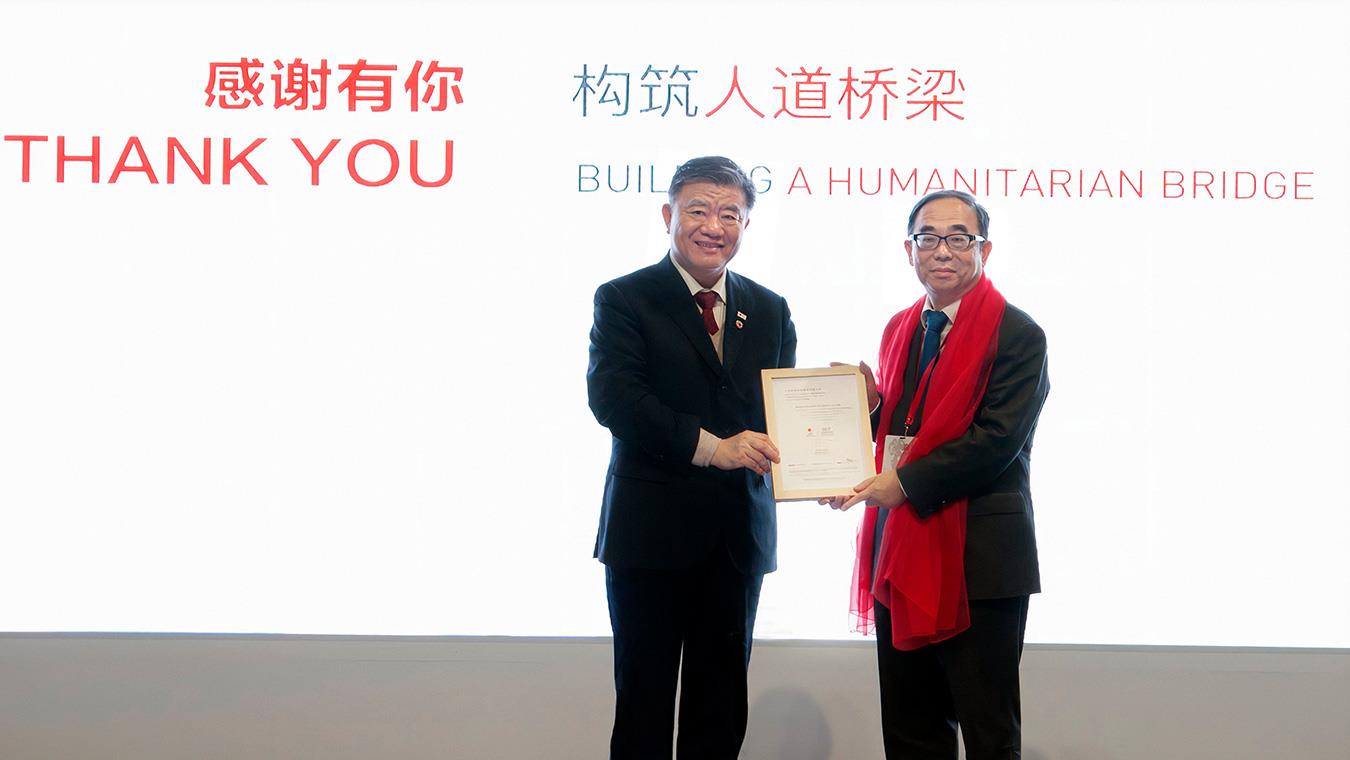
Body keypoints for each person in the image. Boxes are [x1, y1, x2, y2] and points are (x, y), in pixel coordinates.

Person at [824, 190, 1049, 759]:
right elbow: (908, 428)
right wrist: (867, 408)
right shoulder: (901, 327)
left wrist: (902, 485)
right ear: (909, 250)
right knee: (911, 729)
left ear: (984, 249)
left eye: (958, 238)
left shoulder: (1018, 334)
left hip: (980, 561)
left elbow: (996, 441)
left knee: (988, 731)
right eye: (928, 238)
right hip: (904, 551)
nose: (942, 250)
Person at [587, 156, 797, 759]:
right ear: (668, 215)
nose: (714, 226)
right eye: (698, 210)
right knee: (644, 705)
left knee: (721, 708)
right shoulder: (625, 298)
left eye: (730, 214)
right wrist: (713, 448)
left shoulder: (770, 308)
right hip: (650, 534)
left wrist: (845, 425)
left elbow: (778, 410)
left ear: (746, 224)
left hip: (737, 538)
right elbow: (616, 399)